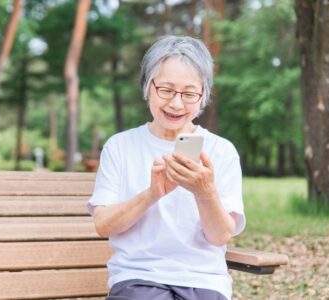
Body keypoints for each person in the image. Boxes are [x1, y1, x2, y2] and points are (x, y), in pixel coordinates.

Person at [87, 35, 245, 300]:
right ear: (148, 86)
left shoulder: (222, 151)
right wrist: (152, 194)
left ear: (203, 94)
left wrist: (204, 191)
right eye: (167, 90)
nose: (176, 103)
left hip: (204, 282)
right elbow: (103, 225)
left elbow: (219, 237)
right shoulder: (120, 146)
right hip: (138, 278)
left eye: (188, 93)